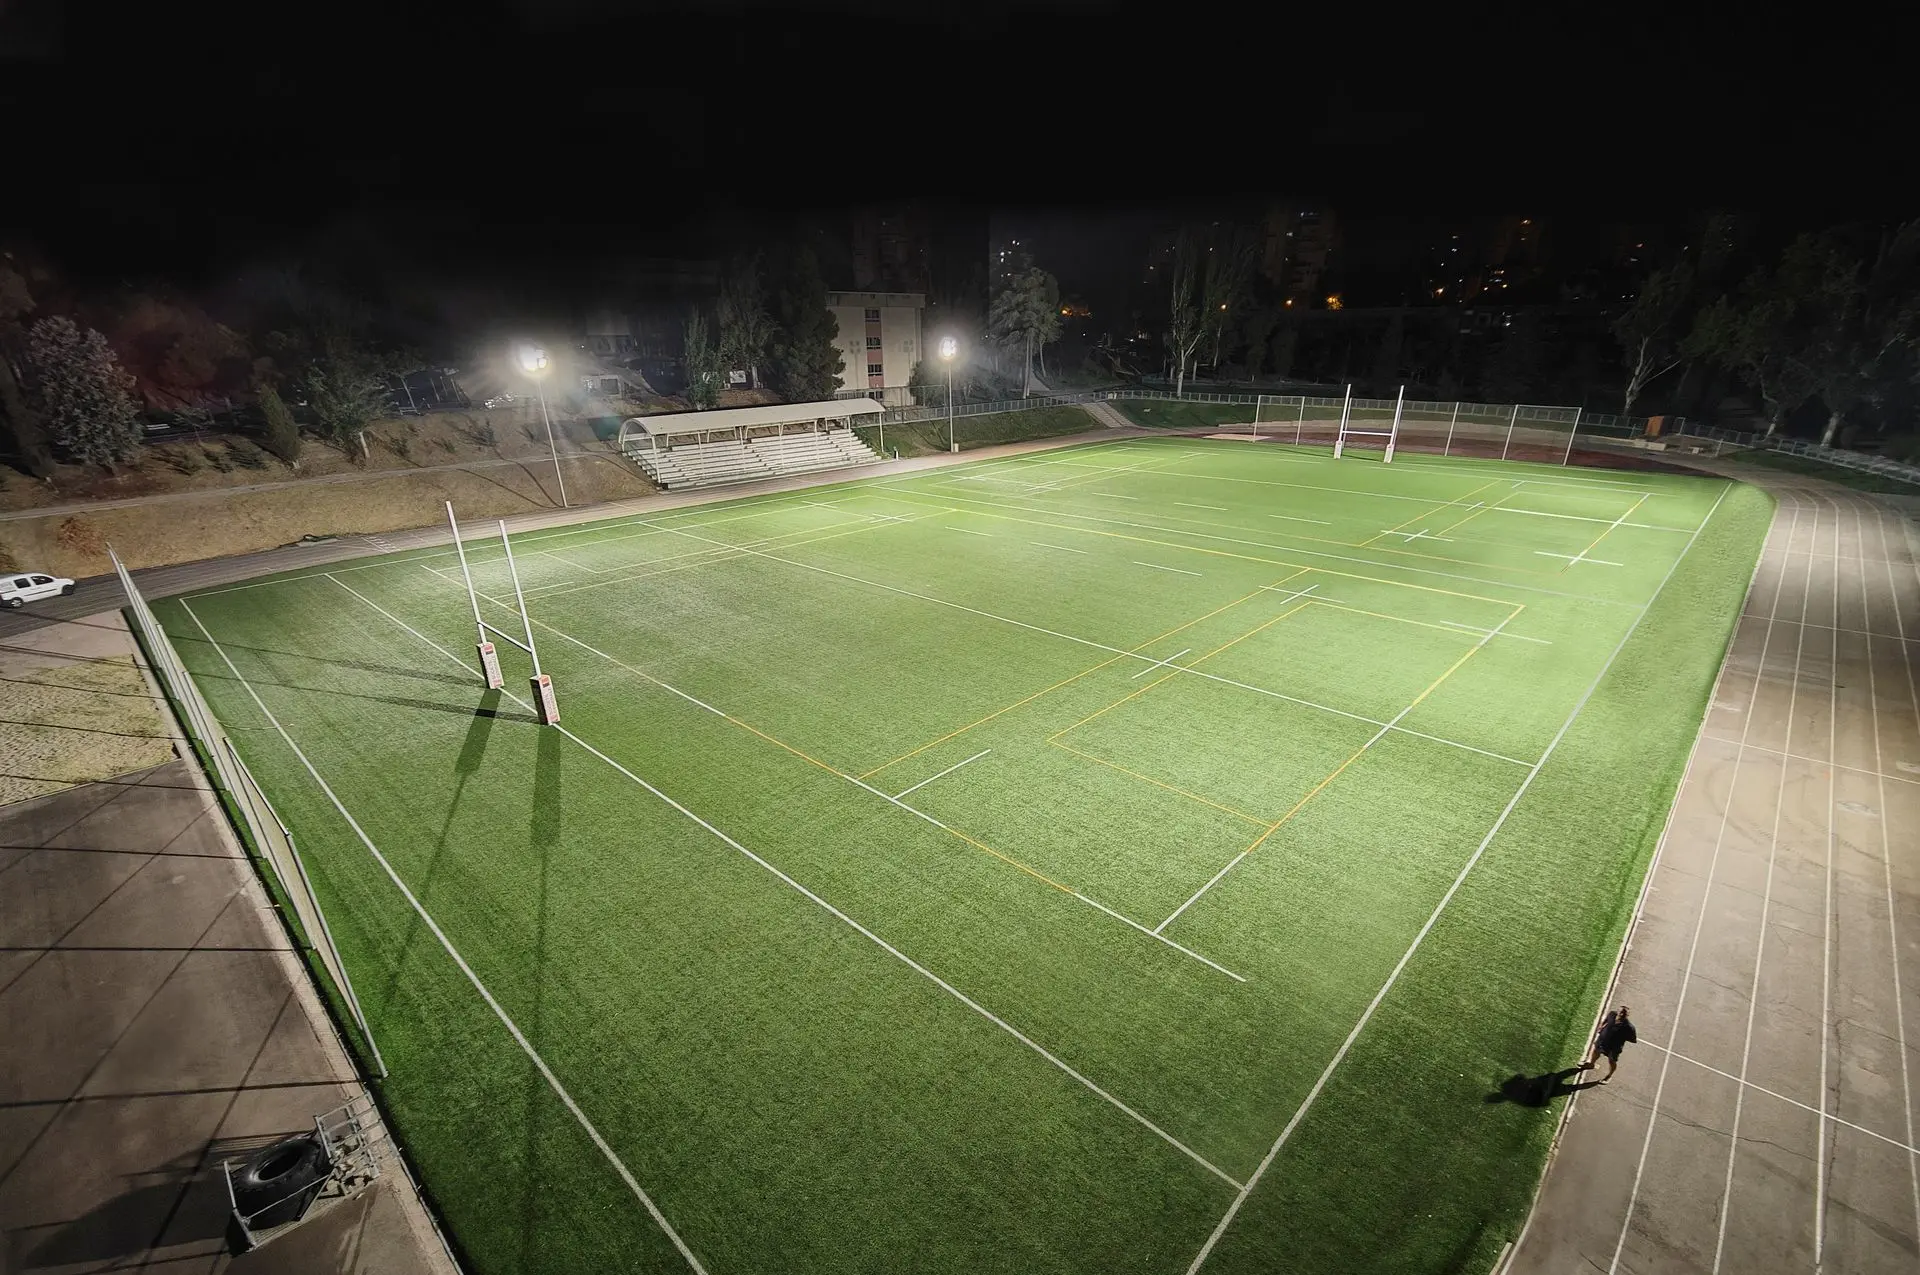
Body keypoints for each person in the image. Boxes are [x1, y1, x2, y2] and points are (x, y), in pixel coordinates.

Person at [1582, 1005, 1638, 1082]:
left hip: (1614, 1047)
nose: (1621, 1014)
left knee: (1612, 1061)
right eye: (1621, 1012)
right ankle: (1591, 1064)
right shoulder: (1612, 1014)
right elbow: (1606, 1020)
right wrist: (1601, 1027)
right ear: (1618, 1011)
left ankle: (1609, 1076)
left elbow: (1634, 1040)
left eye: (1624, 1014)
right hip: (1602, 1040)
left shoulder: (1629, 1027)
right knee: (1595, 1050)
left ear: (1627, 1015)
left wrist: (1621, 1037)